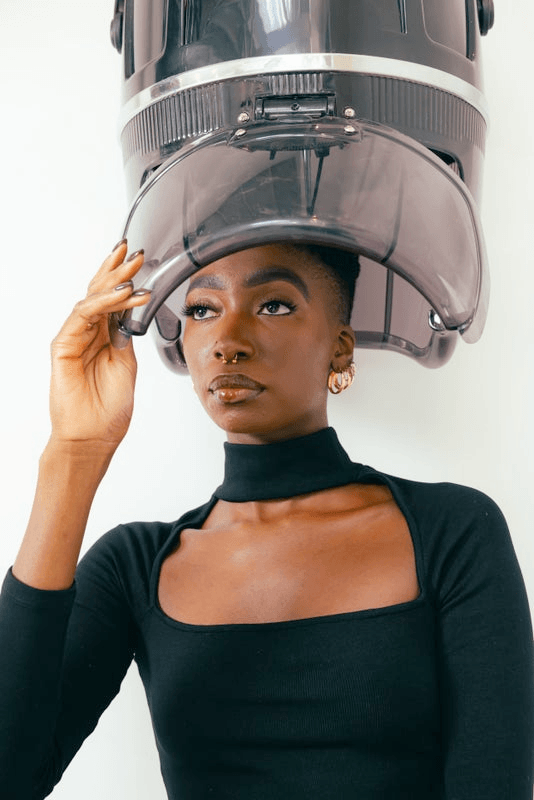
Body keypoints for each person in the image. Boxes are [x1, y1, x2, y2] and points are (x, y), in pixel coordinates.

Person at [0, 239, 532, 799]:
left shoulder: (451, 531)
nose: (227, 340)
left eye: (273, 305)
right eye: (202, 309)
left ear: (340, 349)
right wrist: (75, 451)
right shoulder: (134, 566)